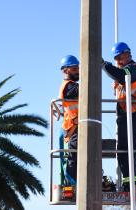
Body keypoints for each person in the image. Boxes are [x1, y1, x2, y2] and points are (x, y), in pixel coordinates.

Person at [102, 42, 136, 191]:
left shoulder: (133, 70)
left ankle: (133, 184)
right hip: (128, 116)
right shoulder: (127, 71)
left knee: (129, 151)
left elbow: (122, 75)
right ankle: (130, 183)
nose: (118, 61)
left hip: (135, 116)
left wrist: (104, 65)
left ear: (128, 54)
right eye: (116, 58)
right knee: (126, 152)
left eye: (120, 57)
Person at [58, 55, 80, 185]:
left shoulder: (71, 86)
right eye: (74, 68)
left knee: (77, 155)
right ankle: (71, 182)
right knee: (74, 155)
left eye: (78, 68)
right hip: (74, 127)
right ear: (66, 70)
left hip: (76, 126)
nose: (78, 71)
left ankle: (76, 180)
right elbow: (82, 90)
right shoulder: (68, 87)